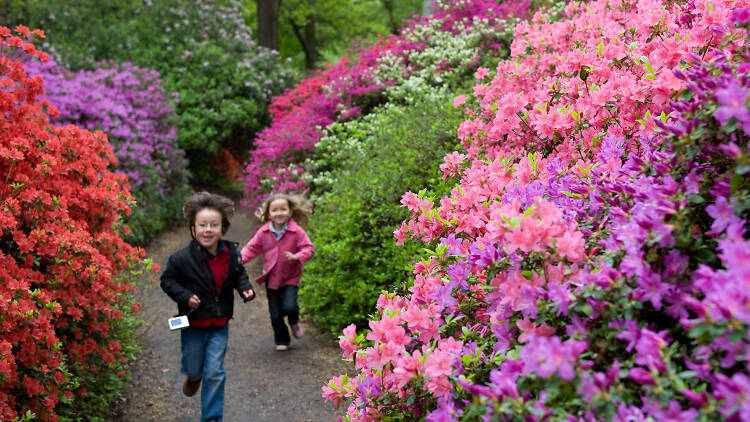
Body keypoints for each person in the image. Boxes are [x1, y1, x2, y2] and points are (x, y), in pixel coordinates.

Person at [160, 191, 255, 422]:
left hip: (219, 324)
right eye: (202, 225)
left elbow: (238, 273)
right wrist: (185, 296)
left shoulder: (231, 254)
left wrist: (245, 288)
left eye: (214, 224)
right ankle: (193, 377)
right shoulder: (180, 259)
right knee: (195, 368)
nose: (208, 230)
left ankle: (212, 418)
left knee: (214, 372)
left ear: (223, 228)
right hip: (193, 323)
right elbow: (167, 281)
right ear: (193, 229)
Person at [241, 193, 314, 351]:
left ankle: (294, 322)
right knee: (275, 315)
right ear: (268, 214)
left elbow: (309, 248)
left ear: (290, 211)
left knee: (290, 307)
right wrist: (238, 259)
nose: (279, 213)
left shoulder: (296, 231)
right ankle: (282, 339)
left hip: (290, 278)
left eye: (283, 209)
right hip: (272, 278)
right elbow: (251, 248)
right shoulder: (264, 232)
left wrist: (297, 256)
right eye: (275, 210)